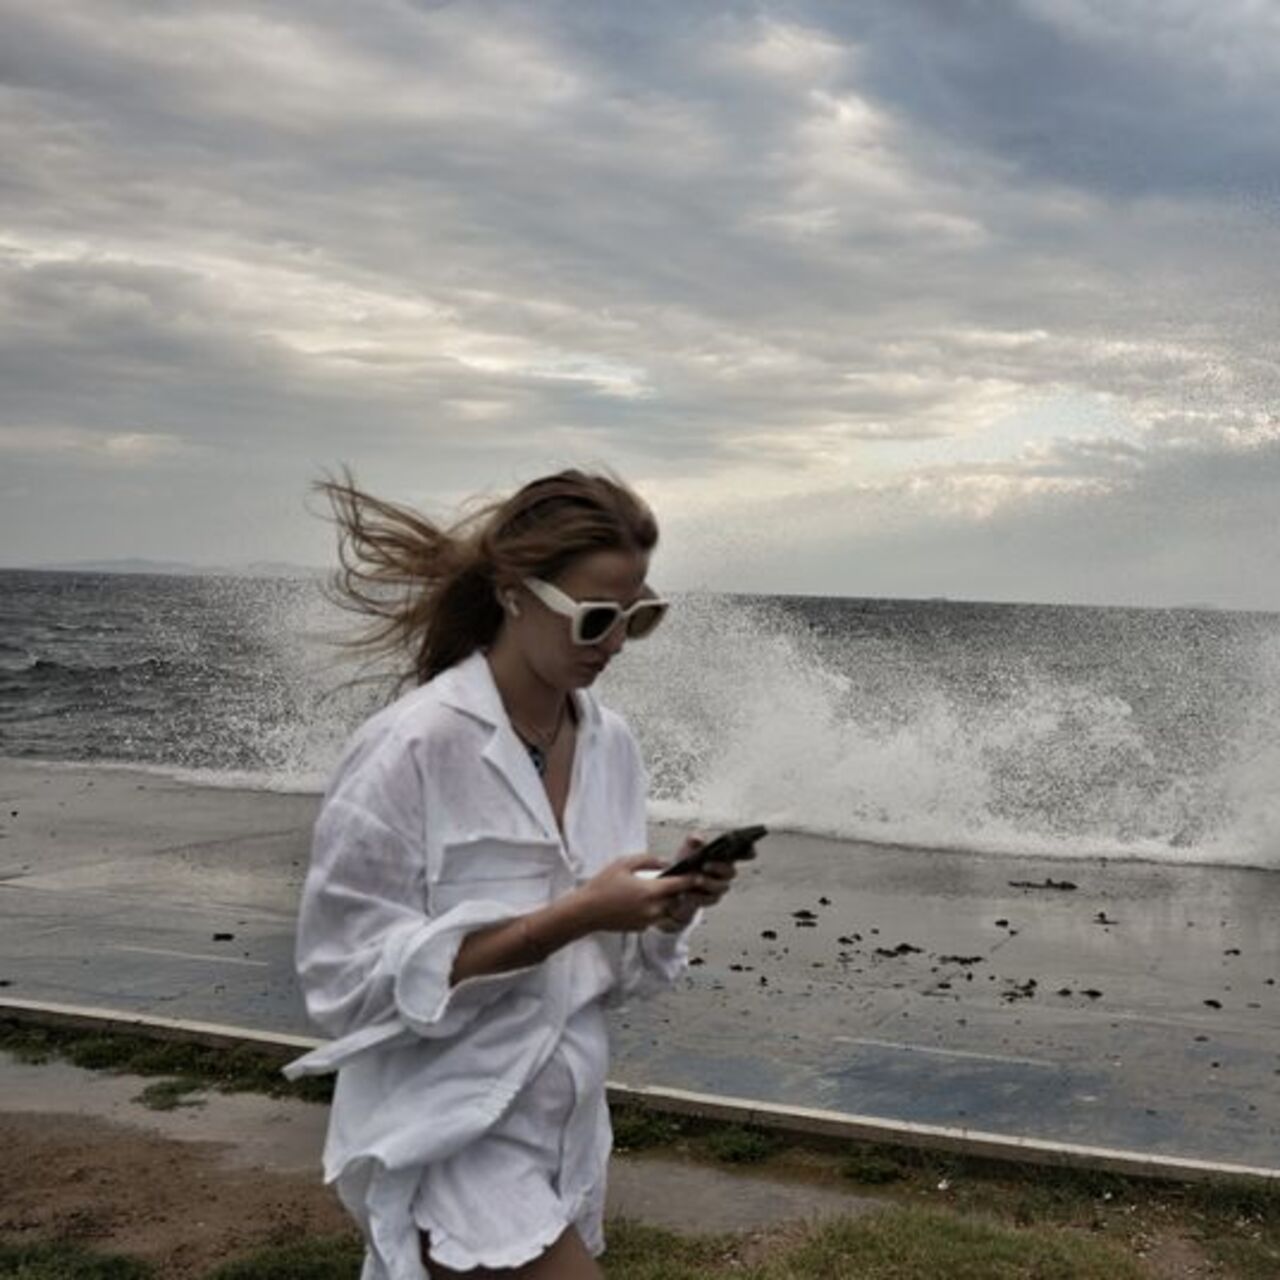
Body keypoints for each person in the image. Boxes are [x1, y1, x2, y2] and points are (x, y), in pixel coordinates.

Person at [281, 469, 738, 1279]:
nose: (615, 644)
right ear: (512, 594)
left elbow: (609, 979)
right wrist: (575, 915)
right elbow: (342, 984)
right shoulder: (412, 748)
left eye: (640, 617)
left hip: (566, 1130)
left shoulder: (611, 745)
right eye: (596, 617)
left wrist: (663, 908)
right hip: (447, 1130)